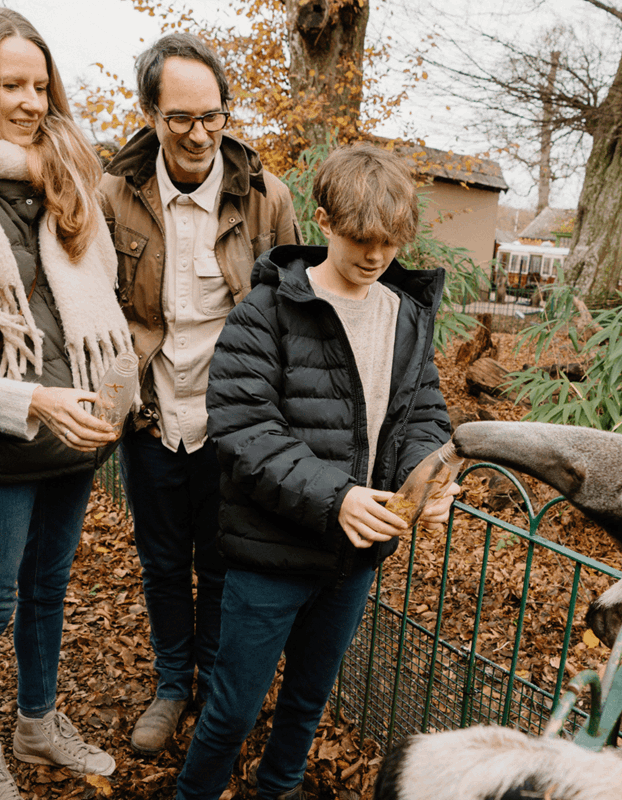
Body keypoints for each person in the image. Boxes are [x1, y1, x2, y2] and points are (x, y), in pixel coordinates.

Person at [174, 142, 459, 800]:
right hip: (267, 558)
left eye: (391, 242)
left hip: (353, 558)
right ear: (324, 221)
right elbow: (245, 429)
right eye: (361, 238)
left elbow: (423, 415)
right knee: (231, 713)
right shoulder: (265, 312)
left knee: (307, 705)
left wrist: (427, 477)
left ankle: (277, 790)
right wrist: (337, 498)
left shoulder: (406, 314)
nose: (376, 257)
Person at [100, 33, 301, 755]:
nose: (199, 133)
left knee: (220, 560)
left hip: (233, 423)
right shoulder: (114, 194)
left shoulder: (267, 198)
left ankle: (215, 686)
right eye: (180, 116)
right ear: (151, 112)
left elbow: (292, 314)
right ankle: (172, 684)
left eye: (212, 115)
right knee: (161, 562)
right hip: (152, 414)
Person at [0, 9, 134, 798]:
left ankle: (38, 722)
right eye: (9, 84)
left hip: (79, 430)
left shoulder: (69, 180)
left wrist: (104, 397)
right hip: (11, 438)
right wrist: (34, 398)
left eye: (39, 86)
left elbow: (104, 302)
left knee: (49, 588)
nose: (28, 102)